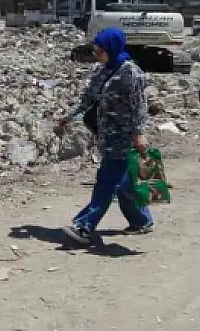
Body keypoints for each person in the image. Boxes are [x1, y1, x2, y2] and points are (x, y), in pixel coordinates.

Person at [56, 27, 153, 245]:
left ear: (112, 48)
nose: (96, 55)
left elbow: (139, 106)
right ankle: (141, 220)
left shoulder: (131, 72)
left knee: (106, 182)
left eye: (100, 51)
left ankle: (84, 226)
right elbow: (87, 100)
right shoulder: (101, 71)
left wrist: (139, 133)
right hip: (106, 135)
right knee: (125, 183)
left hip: (124, 137)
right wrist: (68, 117)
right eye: (95, 51)